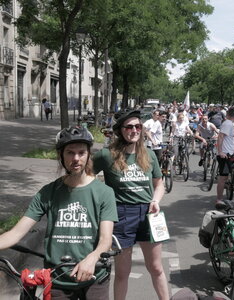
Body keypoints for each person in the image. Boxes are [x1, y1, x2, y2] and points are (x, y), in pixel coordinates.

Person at [0, 126, 118, 299]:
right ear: (61, 156)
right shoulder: (48, 192)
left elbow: (106, 240)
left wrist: (91, 259)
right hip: (58, 279)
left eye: (81, 152)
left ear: (88, 155)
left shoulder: (104, 193)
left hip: (94, 276)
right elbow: (16, 233)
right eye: (70, 152)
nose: (76, 158)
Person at [93, 110, 169, 300]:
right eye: (129, 127)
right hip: (121, 215)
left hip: (148, 214)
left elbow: (159, 185)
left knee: (157, 268)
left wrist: (155, 201)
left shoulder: (149, 154)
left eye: (138, 126)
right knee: (122, 273)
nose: (134, 130)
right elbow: (86, 178)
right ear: (120, 130)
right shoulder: (106, 155)